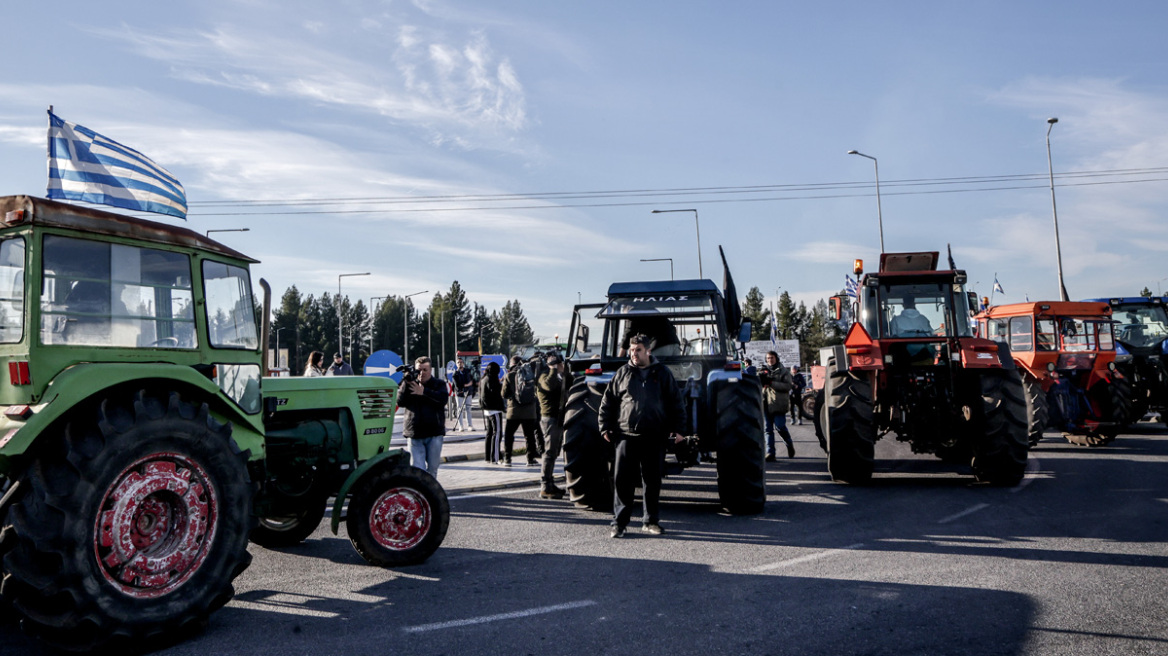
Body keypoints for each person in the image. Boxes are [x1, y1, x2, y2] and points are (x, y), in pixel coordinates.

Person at [599, 334, 685, 538]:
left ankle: (650, 522)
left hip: (654, 436)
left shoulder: (662, 373)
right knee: (622, 481)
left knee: (652, 481)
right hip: (626, 435)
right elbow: (608, 401)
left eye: (638, 350)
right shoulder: (623, 373)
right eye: (631, 350)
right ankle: (619, 524)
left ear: (648, 351)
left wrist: (679, 429)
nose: (634, 354)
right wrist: (605, 427)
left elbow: (676, 402)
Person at [396, 356, 447, 477]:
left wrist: (424, 392)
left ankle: (431, 489)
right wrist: (406, 382)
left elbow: (442, 399)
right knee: (417, 469)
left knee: (433, 469)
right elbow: (400, 402)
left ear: (430, 370)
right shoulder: (409, 384)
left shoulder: (438, 384)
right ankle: (421, 489)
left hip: (434, 433)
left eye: (425, 370)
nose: (422, 373)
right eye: (419, 370)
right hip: (415, 433)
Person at [536, 352, 572, 499]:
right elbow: (550, 386)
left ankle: (550, 484)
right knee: (550, 452)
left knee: (554, 452)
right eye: (560, 363)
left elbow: (570, 382)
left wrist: (563, 371)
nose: (562, 365)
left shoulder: (559, 377)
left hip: (557, 419)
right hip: (549, 419)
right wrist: (553, 368)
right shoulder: (544, 377)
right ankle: (545, 486)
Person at [502, 355, 542, 466]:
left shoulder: (509, 375)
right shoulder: (531, 374)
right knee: (529, 436)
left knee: (509, 435)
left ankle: (507, 459)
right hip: (529, 412)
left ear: (511, 364)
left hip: (513, 412)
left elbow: (504, 394)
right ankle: (530, 459)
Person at [760, 351, 794, 461]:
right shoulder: (763, 371)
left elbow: (788, 386)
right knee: (767, 429)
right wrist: (761, 380)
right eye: (768, 358)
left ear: (776, 358)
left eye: (772, 358)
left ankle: (789, 444)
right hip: (766, 403)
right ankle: (770, 452)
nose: (770, 360)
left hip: (778, 404)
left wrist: (772, 383)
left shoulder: (783, 371)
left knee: (780, 427)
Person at [480, 361, 506, 463]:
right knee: (497, 433)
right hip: (494, 409)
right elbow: (496, 392)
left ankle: (488, 457)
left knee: (489, 433)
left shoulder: (484, 379)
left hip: (487, 409)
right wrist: (501, 384)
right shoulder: (492, 379)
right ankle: (495, 457)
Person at [451, 359, 476, 431]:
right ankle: (461, 426)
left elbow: (471, 380)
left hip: (468, 392)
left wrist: (470, 386)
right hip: (459, 393)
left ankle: (470, 425)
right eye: (458, 362)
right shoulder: (455, 374)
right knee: (460, 409)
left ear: (463, 363)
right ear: (456, 364)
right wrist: (466, 385)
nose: (460, 364)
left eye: (461, 362)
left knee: (468, 409)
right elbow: (457, 385)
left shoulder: (467, 371)